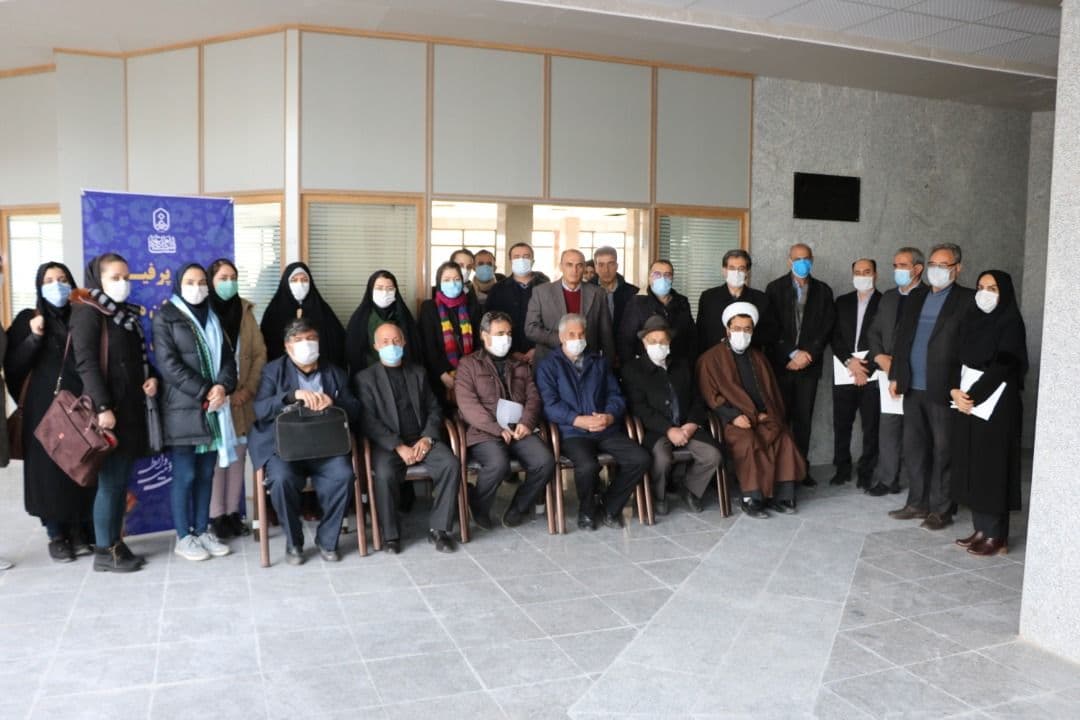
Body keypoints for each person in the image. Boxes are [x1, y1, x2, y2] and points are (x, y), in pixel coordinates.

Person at [70, 253, 159, 572]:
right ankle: (104, 552)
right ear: (98, 279)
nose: (122, 283)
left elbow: (135, 359)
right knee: (110, 484)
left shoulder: (123, 314)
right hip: (108, 412)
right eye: (115, 278)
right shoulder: (88, 311)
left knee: (120, 482)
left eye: (126, 277)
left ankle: (116, 543)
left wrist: (150, 379)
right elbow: (86, 363)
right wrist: (103, 407)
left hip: (131, 410)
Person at [249, 318, 361, 564]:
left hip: (326, 447)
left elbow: (355, 409)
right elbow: (260, 409)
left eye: (311, 339)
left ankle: (327, 539)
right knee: (281, 479)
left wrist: (334, 402)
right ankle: (294, 542)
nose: (306, 344)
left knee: (343, 476)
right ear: (287, 346)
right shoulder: (273, 371)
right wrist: (290, 396)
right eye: (298, 340)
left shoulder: (335, 372)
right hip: (285, 448)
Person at [5, 262, 95, 562]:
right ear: (38, 286)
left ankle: (79, 530)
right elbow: (13, 367)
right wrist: (34, 337)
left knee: (80, 466)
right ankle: (56, 534)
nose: (57, 285)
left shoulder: (82, 315)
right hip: (43, 410)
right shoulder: (27, 319)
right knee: (48, 474)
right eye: (49, 280)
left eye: (62, 279)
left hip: (80, 407)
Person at [153, 263, 238, 562]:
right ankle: (183, 536)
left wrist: (223, 387)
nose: (198, 287)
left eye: (202, 282)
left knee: (205, 474)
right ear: (179, 284)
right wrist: (206, 390)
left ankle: (202, 531)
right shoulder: (165, 316)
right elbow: (169, 365)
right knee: (186, 475)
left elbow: (228, 359)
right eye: (190, 282)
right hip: (183, 409)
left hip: (213, 409)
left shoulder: (214, 316)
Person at [888, 243, 974, 530]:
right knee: (914, 448)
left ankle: (941, 509)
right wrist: (896, 376)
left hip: (945, 388)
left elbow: (969, 346)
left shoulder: (966, 300)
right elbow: (902, 338)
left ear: (957, 268)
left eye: (943, 265)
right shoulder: (918, 296)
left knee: (943, 451)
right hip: (913, 386)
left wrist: (960, 386)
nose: (936, 270)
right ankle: (917, 503)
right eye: (933, 264)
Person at [535, 313, 650, 530]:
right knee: (588, 466)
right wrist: (577, 420)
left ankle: (610, 505)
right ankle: (587, 510)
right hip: (572, 432)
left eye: (581, 334)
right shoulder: (548, 365)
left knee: (640, 458)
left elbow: (616, 396)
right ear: (561, 337)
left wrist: (609, 416)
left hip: (604, 428)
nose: (577, 339)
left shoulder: (599, 362)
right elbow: (549, 405)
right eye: (572, 334)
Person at [355, 323, 461, 554]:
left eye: (396, 340)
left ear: (403, 343)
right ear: (376, 346)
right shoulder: (365, 378)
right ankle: (391, 535)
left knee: (450, 464)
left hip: (421, 438)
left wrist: (428, 438)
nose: (391, 346)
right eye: (385, 342)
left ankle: (439, 529)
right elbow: (368, 420)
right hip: (389, 444)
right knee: (384, 474)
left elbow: (434, 409)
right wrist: (398, 446)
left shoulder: (418, 372)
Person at [697, 302, 806, 518]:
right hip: (731, 421)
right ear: (727, 330)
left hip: (761, 418)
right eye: (737, 328)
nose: (742, 333)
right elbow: (710, 397)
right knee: (747, 442)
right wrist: (733, 416)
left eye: (747, 329)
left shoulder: (759, 357)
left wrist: (766, 412)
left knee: (783, 438)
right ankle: (752, 497)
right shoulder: (710, 359)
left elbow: (770, 393)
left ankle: (782, 494)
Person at [949, 270, 1027, 556]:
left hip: (996, 406)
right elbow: (956, 359)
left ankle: (997, 536)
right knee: (973, 465)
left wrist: (972, 396)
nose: (984, 293)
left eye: (992, 288)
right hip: (969, 402)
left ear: (1004, 292)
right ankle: (981, 529)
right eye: (980, 287)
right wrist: (954, 391)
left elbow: (1003, 366)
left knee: (993, 468)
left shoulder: (1010, 322)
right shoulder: (972, 318)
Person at [454, 311, 556, 529]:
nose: (506, 338)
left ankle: (519, 507)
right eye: (500, 333)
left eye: (509, 333)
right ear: (484, 335)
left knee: (544, 461)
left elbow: (533, 397)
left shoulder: (519, 364)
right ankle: (478, 505)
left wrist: (527, 423)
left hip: (518, 429)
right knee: (498, 463)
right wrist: (496, 429)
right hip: (484, 432)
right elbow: (468, 405)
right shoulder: (468, 365)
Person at [623, 316, 721, 515]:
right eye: (653, 341)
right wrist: (669, 430)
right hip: (656, 430)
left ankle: (691, 490)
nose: (658, 345)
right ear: (644, 344)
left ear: (670, 343)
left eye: (663, 341)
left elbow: (697, 399)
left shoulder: (682, 365)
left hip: (687, 427)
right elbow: (639, 409)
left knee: (713, 455)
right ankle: (657, 496)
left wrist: (692, 424)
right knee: (661, 457)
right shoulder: (633, 370)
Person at [765, 243, 835, 486]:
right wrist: (792, 353)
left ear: (812, 260)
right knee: (780, 419)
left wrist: (807, 355)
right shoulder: (774, 289)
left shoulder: (823, 291)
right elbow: (770, 327)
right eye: (797, 258)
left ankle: (801, 469)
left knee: (804, 420)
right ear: (789, 261)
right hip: (781, 365)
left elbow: (827, 328)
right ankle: (781, 470)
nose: (802, 262)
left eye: (806, 258)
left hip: (809, 367)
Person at [207, 258, 267, 539]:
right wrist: (218, 391)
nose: (229, 283)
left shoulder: (245, 311)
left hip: (243, 399)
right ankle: (216, 516)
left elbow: (259, 354)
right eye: (223, 278)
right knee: (217, 460)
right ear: (211, 281)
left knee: (238, 457)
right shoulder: (203, 311)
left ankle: (233, 513)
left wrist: (248, 390)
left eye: (233, 277)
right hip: (215, 399)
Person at [864, 247, 926, 497]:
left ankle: (918, 484)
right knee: (889, 425)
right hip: (886, 370)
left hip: (915, 372)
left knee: (915, 429)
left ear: (917, 269)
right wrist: (879, 357)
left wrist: (900, 365)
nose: (897, 270)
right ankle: (888, 479)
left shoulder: (928, 297)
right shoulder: (889, 297)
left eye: (903, 265)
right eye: (895, 265)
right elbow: (874, 331)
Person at [830, 259, 882, 487]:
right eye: (858, 272)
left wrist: (865, 369)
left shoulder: (885, 302)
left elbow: (887, 339)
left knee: (871, 426)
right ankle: (842, 468)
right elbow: (834, 336)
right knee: (842, 423)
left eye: (867, 271)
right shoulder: (842, 302)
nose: (862, 275)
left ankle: (866, 471)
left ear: (875, 274)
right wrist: (849, 362)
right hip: (844, 370)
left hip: (873, 373)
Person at [526, 249, 615, 363]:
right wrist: (564, 338)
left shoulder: (598, 293)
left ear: (584, 268)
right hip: (550, 361)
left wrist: (609, 363)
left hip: (588, 361)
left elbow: (606, 333)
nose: (574, 270)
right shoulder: (541, 292)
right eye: (569, 265)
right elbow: (531, 329)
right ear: (561, 267)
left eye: (579, 265)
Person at [418, 261, 482, 410]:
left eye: (456, 279)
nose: (452, 283)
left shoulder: (473, 307)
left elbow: (479, 343)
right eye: (446, 280)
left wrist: (467, 373)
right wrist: (443, 374)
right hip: (439, 376)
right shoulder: (429, 307)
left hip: (470, 375)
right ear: (439, 283)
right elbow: (428, 346)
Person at [260, 262, 346, 369]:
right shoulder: (273, 312)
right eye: (294, 280)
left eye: (304, 280)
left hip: (320, 370)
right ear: (286, 283)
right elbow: (264, 347)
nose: (300, 284)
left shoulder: (322, 310)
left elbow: (337, 344)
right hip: (282, 372)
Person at [618, 259, 697, 367]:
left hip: (677, 367)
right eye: (657, 274)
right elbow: (625, 341)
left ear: (672, 278)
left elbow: (691, 337)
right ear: (649, 278)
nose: (662, 279)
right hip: (646, 369)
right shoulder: (637, 303)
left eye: (667, 275)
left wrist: (689, 366)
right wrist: (630, 370)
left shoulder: (682, 302)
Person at [345, 269, 422, 375]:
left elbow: (414, 351)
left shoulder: (404, 317)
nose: (385, 293)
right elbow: (354, 354)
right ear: (371, 290)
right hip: (370, 376)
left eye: (390, 289)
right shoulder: (360, 319)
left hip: (403, 374)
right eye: (379, 288)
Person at [697, 249, 776, 352]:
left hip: (750, 356)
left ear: (747, 272)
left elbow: (770, 333)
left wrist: (743, 339)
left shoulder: (761, 299)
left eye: (741, 268)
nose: (736, 272)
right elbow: (700, 333)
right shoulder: (708, 298)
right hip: (716, 356)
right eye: (732, 268)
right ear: (724, 270)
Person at [485, 242, 550, 362]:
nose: (521, 260)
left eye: (526, 256)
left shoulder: (546, 287)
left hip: (541, 354)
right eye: (516, 257)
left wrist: (537, 349)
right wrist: (511, 351)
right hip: (506, 354)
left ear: (533, 261)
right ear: (510, 261)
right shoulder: (498, 289)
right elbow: (489, 323)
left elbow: (552, 321)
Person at [592, 246, 638, 339]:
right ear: (595, 267)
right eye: (601, 265)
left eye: (611, 264)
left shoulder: (633, 293)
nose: (606, 270)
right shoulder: (586, 292)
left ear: (617, 266)